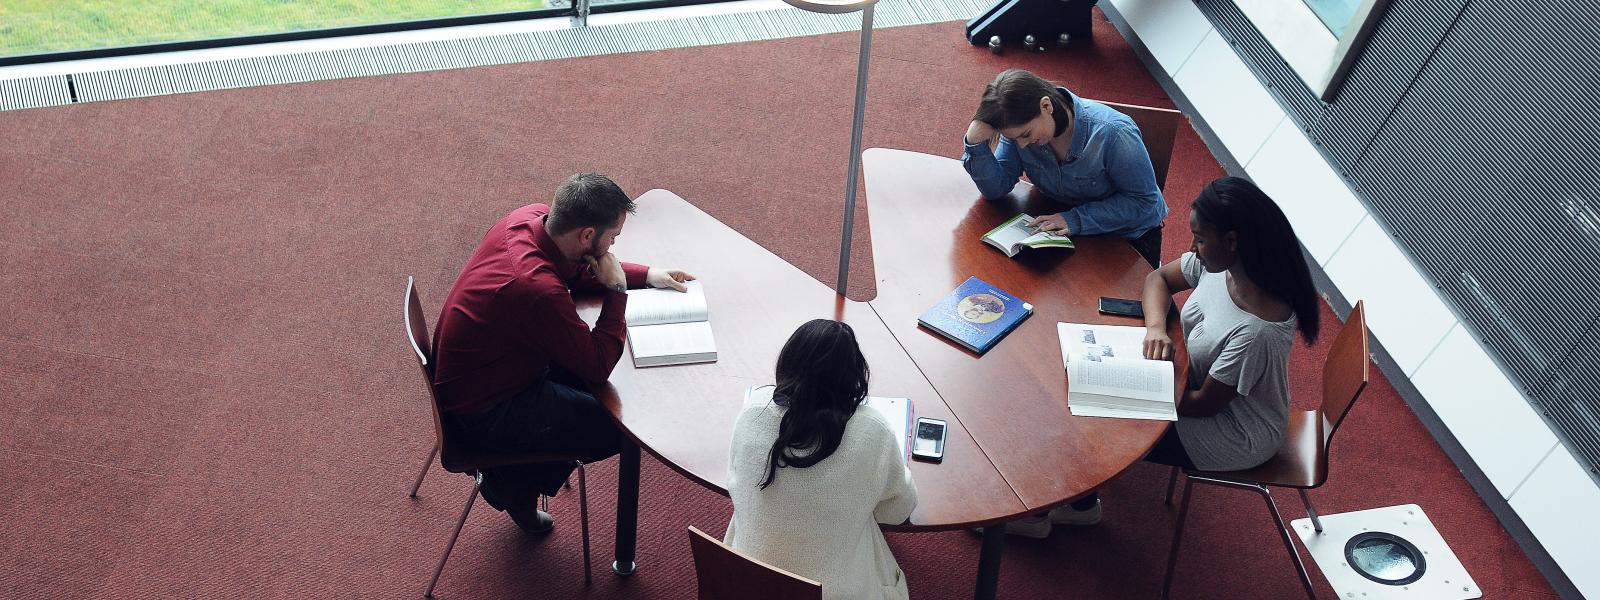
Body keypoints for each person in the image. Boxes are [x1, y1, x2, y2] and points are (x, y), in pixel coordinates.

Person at [999, 176, 1320, 538]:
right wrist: (1155, 328)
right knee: (1085, 389)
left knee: (1093, 412)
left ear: (1232, 242)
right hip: (1189, 383)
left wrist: (1124, 387)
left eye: (1199, 239)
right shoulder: (1225, 267)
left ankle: (1053, 511)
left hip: (1233, 433)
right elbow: (1158, 280)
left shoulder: (1256, 332)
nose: (1192, 248)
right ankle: (1079, 501)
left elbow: (1201, 405)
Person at [431, 172, 694, 533]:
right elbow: (598, 364)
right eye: (613, 237)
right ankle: (509, 486)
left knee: (604, 394)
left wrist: (646, 274)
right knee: (621, 431)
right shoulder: (536, 289)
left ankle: (511, 472)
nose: (615, 245)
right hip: (487, 407)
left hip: (493, 367)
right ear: (587, 235)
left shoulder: (526, 219)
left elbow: (576, 271)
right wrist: (617, 290)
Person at [725, 320, 918, 600]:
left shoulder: (752, 412)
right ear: (853, 376)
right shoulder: (872, 429)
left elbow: (734, 483)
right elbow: (897, 510)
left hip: (746, 584)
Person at [962, 68, 1169, 266]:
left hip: (1125, 237)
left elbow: (1144, 203)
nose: (1022, 146)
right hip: (1063, 229)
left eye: (1025, 135)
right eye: (1014, 139)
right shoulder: (1019, 134)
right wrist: (975, 142)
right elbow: (996, 189)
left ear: (1046, 106)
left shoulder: (1114, 133)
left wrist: (1075, 219)